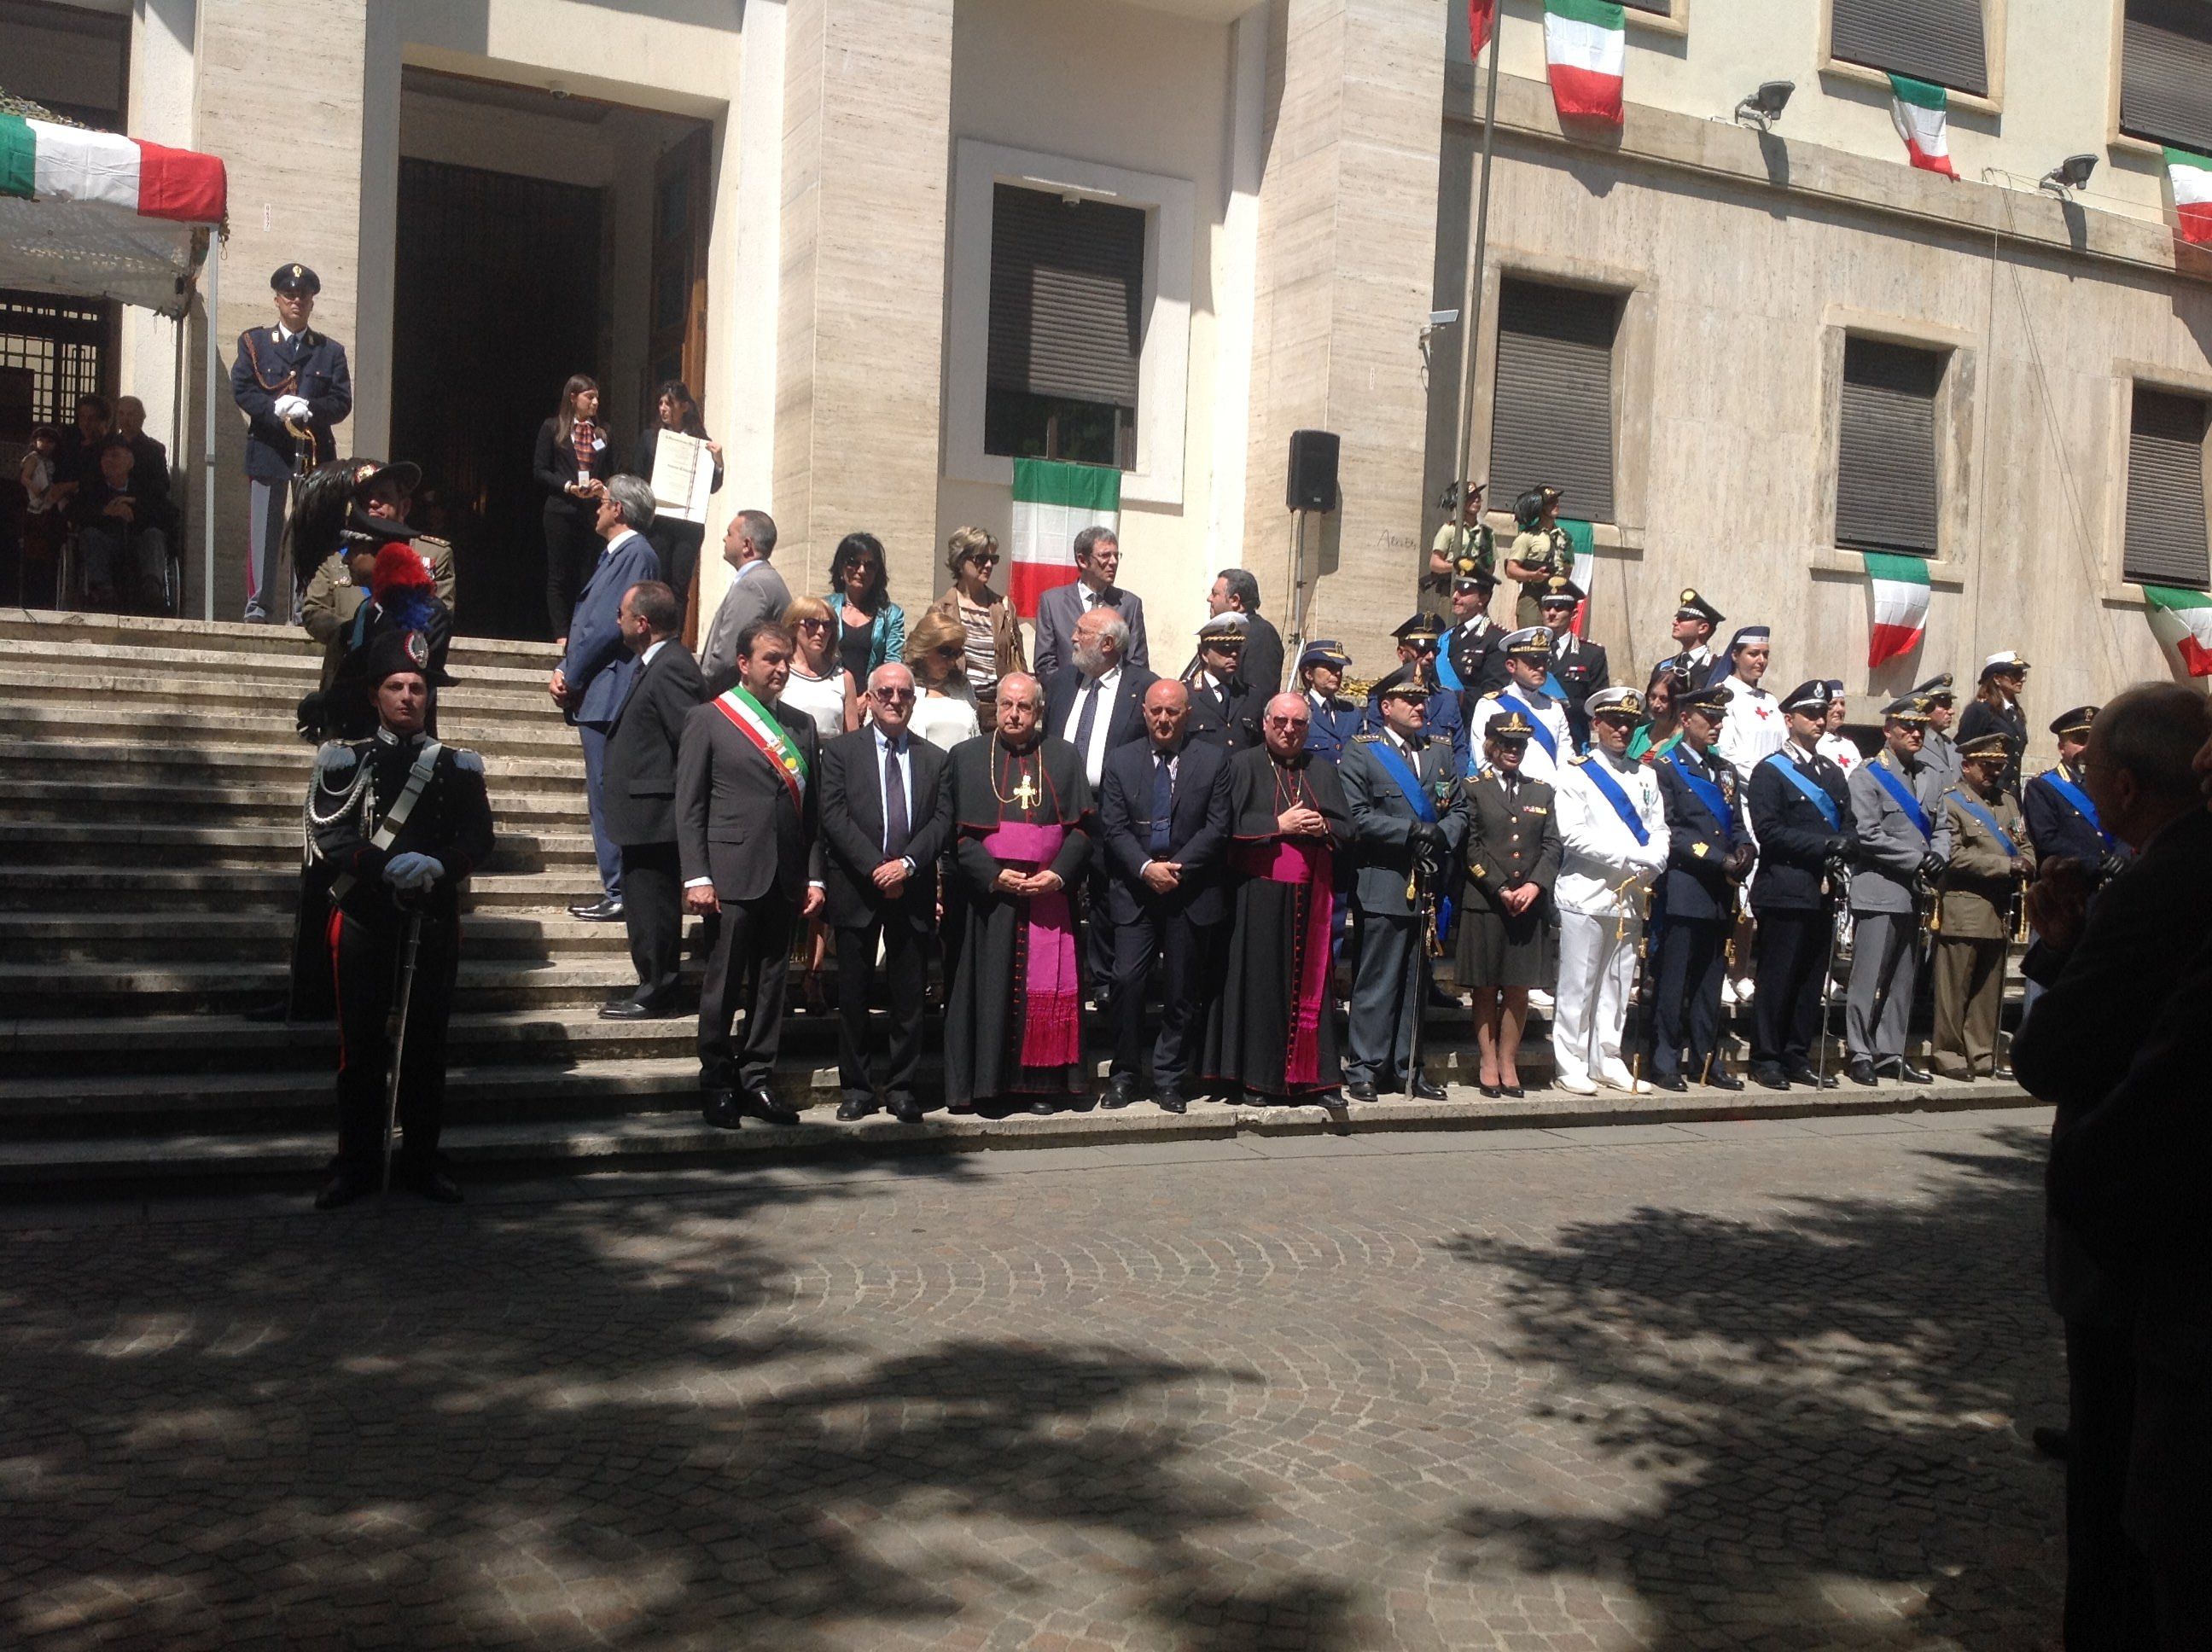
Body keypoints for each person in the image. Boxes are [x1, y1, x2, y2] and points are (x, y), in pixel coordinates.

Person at [2015, 683, 2212, 1650]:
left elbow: (2054, 1058)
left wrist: (2085, 1185)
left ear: (2126, 788)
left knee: (2124, 1512)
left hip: (2143, 1254)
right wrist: (2071, 946)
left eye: (2093, 776)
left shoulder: (2163, 880)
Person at [305, 627, 494, 1208]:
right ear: (374, 695)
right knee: (359, 1052)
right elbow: (327, 832)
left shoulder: (458, 767)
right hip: (364, 917)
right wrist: (381, 866)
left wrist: (439, 864)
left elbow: (480, 838)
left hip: (432, 920)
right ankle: (355, 1164)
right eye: (396, 686)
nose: (409, 696)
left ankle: (421, 1162)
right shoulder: (345, 759)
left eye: (418, 686)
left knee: (426, 1049)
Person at [678, 619, 824, 1130]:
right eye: (771, 659)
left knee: (771, 985)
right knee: (723, 986)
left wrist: (815, 876)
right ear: (744, 663)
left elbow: (812, 814)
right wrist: (696, 875)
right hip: (730, 874)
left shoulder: (803, 727)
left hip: (784, 876)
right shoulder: (710, 719)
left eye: (786, 659)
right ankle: (717, 1082)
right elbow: (690, 806)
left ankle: (758, 1078)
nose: (782, 668)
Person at [941, 673, 1092, 1115]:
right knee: (984, 989)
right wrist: (993, 875)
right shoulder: (966, 757)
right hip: (989, 901)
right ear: (995, 708)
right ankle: (983, 1086)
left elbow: (1082, 829)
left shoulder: (1063, 757)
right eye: (1006, 705)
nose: (1013, 714)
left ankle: (1037, 1085)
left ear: (1038, 711)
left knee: (1040, 990)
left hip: (1047, 896)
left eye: (1024, 707)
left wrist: (1059, 875)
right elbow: (955, 834)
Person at [1200, 693, 1353, 1106]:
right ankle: (1259, 1080)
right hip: (1258, 897)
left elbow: (1348, 826)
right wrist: (1278, 824)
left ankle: (1316, 1079)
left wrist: (1322, 825)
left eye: (1299, 724)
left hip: (1312, 897)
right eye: (1282, 721)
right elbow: (1225, 825)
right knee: (1261, 987)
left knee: (1312, 988)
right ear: (1266, 723)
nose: (1289, 730)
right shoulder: (1242, 764)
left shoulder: (1321, 769)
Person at [819, 663, 954, 1122]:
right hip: (857, 886)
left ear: (914, 702)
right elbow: (833, 816)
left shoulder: (935, 758)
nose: (896, 700)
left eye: (905, 694)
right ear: (870, 700)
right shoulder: (839, 752)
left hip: (912, 886)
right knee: (854, 995)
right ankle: (856, 1087)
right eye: (886, 693)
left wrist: (908, 866)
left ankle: (901, 1087)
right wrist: (878, 868)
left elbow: (941, 821)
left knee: (908, 996)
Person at [1097, 678, 1234, 1112]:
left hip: (1187, 892)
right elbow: (1113, 827)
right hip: (1136, 892)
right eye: (1156, 710)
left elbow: (1217, 827)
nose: (1163, 719)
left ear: (1187, 714)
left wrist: (1177, 869)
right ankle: (1124, 1074)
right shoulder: (1120, 760)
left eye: (1172, 712)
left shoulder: (1213, 760)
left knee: (1180, 991)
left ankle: (1169, 1079)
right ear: (1144, 712)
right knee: (1127, 982)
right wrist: (1145, 868)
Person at [1341, 679, 1471, 1101]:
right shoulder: (1363, 750)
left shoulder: (1438, 750)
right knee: (1377, 980)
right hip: (1384, 880)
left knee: (1416, 981)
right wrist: (1412, 830)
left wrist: (1441, 834)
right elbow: (1357, 816)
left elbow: (1459, 807)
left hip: (1428, 884)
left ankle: (1408, 1067)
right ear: (1386, 706)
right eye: (1410, 700)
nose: (1420, 706)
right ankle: (1364, 1067)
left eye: (1423, 700)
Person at [550, 474, 661, 924]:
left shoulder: (634, 553)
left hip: (611, 690)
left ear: (618, 509)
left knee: (606, 791)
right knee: (602, 791)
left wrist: (569, 672)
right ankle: (615, 886)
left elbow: (607, 624)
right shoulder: (621, 554)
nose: (597, 508)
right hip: (599, 689)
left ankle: (619, 889)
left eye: (603, 502)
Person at [1550, 687, 1669, 1096]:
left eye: (1629, 723)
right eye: (1614, 721)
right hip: (1586, 892)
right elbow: (1574, 835)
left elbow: (1659, 830)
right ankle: (1570, 1061)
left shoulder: (1646, 774)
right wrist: (1628, 858)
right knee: (1578, 984)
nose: (1622, 729)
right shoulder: (1575, 771)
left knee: (1618, 984)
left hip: (1631, 894)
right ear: (1595, 724)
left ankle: (1608, 1058)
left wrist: (1655, 861)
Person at [597, 580, 706, 1021]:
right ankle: (652, 982)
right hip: (643, 814)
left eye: (622, 613)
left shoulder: (673, 667)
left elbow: (693, 741)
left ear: (642, 623)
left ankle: (659, 989)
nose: (618, 620)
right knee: (644, 906)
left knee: (654, 907)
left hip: (657, 816)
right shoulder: (654, 664)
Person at [1746, 679, 1857, 1090]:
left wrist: (1848, 844)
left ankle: (1797, 1055)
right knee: (1777, 978)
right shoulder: (1770, 771)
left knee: (1811, 980)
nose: (1817, 720)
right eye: (1809, 714)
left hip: (1823, 890)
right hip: (1786, 888)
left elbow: (1849, 823)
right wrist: (1827, 843)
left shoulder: (1831, 771)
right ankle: (1766, 1057)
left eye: (1821, 714)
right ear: (1788, 719)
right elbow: (1770, 831)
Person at [1046, 608, 1159, 1000]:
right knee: (1059, 895)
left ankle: (1105, 983)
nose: (1072, 638)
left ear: (1108, 644)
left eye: (1081, 632)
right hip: (1061, 812)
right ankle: (1063, 979)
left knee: (1108, 899)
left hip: (1114, 813)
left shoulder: (1144, 687)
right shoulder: (1061, 683)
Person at [231, 263, 352, 623]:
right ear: (278, 301)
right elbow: (242, 388)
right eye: (290, 295)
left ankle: (303, 607)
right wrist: (274, 409)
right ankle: (258, 606)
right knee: (265, 532)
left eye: (303, 296)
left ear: (312, 302)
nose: (296, 301)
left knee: (308, 530)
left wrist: (308, 409)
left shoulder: (330, 350)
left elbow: (341, 401)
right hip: (269, 448)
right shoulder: (255, 343)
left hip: (313, 452)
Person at [1648, 683, 1753, 1091]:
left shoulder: (1725, 770)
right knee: (1673, 980)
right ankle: (1665, 1060)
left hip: (1719, 893)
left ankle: (1706, 1059)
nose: (1716, 725)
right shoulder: (1667, 766)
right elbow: (1669, 830)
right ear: (1686, 719)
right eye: (1708, 718)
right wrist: (1714, 857)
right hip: (1684, 887)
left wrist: (1746, 851)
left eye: (1719, 718)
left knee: (1711, 981)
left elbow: (1738, 822)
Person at [1842, 694, 1949, 1086]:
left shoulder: (1930, 775)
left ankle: (1890, 1051)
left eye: (1920, 727)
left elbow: (1941, 827)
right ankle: (1859, 1050)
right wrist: (1916, 859)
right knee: (1868, 976)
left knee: (1904, 979)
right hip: (1879, 888)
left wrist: (1939, 855)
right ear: (1888, 730)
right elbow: (1868, 834)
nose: (1914, 733)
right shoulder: (1867, 775)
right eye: (1906, 726)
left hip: (1916, 893)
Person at [1458, 711, 1561, 1096]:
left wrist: (1535, 885)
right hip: (1486, 901)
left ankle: (1508, 1061)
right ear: (1491, 745)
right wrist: (1500, 886)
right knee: (1485, 987)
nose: (1513, 751)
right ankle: (1487, 1061)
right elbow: (1469, 844)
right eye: (1506, 743)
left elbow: (1552, 845)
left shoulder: (1541, 791)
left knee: (1517, 988)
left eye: (1519, 744)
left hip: (1527, 905)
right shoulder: (1472, 787)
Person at [1930, 731, 2034, 1081]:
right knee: (1954, 989)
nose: (1993, 773)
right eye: (1987, 766)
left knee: (1989, 990)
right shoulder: (1952, 801)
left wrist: (2027, 862)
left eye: (1998, 766)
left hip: (2000, 910)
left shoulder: (2007, 803)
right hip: (1965, 908)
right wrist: (2007, 866)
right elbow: (1955, 854)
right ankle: (1948, 1053)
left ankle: (1982, 1054)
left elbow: (2025, 844)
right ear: (1967, 764)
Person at [534, 374, 616, 640]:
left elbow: (613, 472)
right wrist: (568, 486)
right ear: (573, 398)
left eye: (596, 397)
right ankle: (561, 633)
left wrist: (601, 488)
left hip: (591, 513)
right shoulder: (553, 428)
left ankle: (582, 630)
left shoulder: (603, 432)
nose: (595, 402)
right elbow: (540, 470)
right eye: (589, 397)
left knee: (588, 572)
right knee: (559, 573)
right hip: (561, 510)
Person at [632, 379, 720, 614]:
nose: (663, 409)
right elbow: (638, 478)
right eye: (660, 403)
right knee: (657, 582)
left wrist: (718, 462)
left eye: (669, 403)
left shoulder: (702, 442)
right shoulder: (650, 438)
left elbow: (713, 486)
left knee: (679, 586)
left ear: (685, 407)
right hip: (658, 523)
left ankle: (674, 640)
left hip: (688, 525)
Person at [931, 526, 1026, 731]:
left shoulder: (1004, 608)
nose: (989, 565)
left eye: (993, 559)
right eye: (981, 559)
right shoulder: (941, 610)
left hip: (997, 711)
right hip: (957, 706)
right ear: (960, 560)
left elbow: (1018, 660)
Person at [1033, 526, 1148, 683]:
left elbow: (1137, 664)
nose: (1113, 562)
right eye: (1105, 556)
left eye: (1116, 555)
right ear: (1082, 560)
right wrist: (1066, 694)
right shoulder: (1053, 602)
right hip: (1068, 698)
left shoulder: (1129, 604)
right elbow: (1045, 663)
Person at [67, 437, 169, 614]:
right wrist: (105, 512)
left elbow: (166, 515)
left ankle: (152, 589)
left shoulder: (144, 488)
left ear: (130, 462)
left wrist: (136, 506)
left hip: (137, 542)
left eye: (115, 455)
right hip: (106, 542)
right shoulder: (91, 487)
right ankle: (102, 590)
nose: (108, 460)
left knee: (154, 535)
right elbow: (74, 513)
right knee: (90, 535)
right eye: (105, 456)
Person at [697, 509, 792, 694]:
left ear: (747, 545)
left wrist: (700, 686)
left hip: (734, 699)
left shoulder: (753, 586)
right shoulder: (763, 579)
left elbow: (727, 656)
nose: (725, 539)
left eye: (730, 533)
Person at [1365, 614, 1470, 775]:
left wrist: (1453, 787)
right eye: (1422, 649)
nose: (1430, 657)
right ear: (1401, 653)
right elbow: (1380, 749)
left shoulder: (1447, 698)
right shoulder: (1383, 697)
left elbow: (1459, 751)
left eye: (1434, 650)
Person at [2024, 706, 2122, 876]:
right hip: (2072, 884)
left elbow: (2125, 825)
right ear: (2062, 747)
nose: (2088, 747)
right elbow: (2047, 840)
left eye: (2094, 740)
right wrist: (2095, 862)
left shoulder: (2109, 783)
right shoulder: (2043, 787)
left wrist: (2121, 857)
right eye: (2080, 740)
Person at [1467, 627, 1570, 787]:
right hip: (1509, 796)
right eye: (1533, 662)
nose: (1541, 668)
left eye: (1544, 661)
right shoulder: (1490, 705)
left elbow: (1566, 760)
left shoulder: (1554, 707)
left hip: (1552, 798)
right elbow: (1484, 760)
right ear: (1511, 666)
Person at [827, 531, 906, 683]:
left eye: (870, 565)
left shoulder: (892, 615)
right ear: (840, 567)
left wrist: (868, 697)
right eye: (853, 562)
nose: (861, 570)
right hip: (831, 693)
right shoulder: (825, 608)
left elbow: (892, 662)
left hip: (871, 698)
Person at [1540, 579, 1608, 752]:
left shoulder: (1591, 654)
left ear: (1574, 614)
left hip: (1573, 737)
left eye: (1559, 608)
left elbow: (1598, 703)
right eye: (1547, 608)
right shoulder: (1528, 651)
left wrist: (1567, 704)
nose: (1552, 613)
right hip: (1536, 735)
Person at [904, 609, 987, 752]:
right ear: (924, 648)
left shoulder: (962, 686)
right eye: (946, 652)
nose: (952, 661)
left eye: (957, 653)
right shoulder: (903, 687)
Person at [779, 595, 858, 739]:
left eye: (827, 626)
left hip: (831, 759)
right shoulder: (780, 672)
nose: (821, 631)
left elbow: (852, 740)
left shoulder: (844, 678)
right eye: (812, 624)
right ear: (793, 627)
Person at [1184, 612, 1263, 751]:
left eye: (1237, 648)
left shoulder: (1251, 695)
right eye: (1225, 648)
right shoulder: (1186, 695)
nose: (1233, 654)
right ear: (1204, 654)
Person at [1714, 625, 1784, 782]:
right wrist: (1766, 779)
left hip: (1778, 792)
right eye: (1753, 654)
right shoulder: (1723, 696)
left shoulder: (1770, 701)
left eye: (1765, 655)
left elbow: (1785, 745)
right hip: (1745, 792)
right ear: (1735, 655)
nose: (1761, 661)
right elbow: (1725, 751)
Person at [1959, 649, 2030, 799]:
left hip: (2008, 795)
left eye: (2023, 674)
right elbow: (1963, 750)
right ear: (1997, 679)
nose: (2022, 679)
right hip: (1983, 792)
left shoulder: (2015, 713)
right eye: (2015, 675)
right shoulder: (1980, 710)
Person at [1200, 568, 1284, 695]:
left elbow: (1259, 694)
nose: (1209, 599)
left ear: (1235, 600)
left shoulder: (1262, 634)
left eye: (1215, 594)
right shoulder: (1221, 630)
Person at [1503, 485, 1571, 626]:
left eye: (1557, 501)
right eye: (1551, 502)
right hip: (1533, 596)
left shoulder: (1565, 537)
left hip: (1556, 597)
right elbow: (1511, 569)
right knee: (1531, 641)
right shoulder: (1527, 536)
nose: (1556, 505)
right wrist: (1533, 575)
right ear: (1541, 508)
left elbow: (1568, 566)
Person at [1441, 558, 1507, 701]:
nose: (1455, 597)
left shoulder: (1497, 639)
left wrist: (1449, 702)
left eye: (1464, 591)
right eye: (1456, 589)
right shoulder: (1446, 637)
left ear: (1483, 599)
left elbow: (1492, 692)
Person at [1428, 480, 1494, 612]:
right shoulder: (1449, 529)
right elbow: (1434, 563)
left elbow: (1491, 566)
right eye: (1471, 497)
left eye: (1478, 497)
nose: (1476, 500)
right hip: (1452, 589)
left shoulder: (1486, 533)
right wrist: (1456, 566)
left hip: (1476, 591)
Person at [1297, 639, 1365, 764]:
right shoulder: (1298, 710)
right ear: (1309, 674)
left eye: (1340, 668)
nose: (1338, 673)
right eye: (1330, 668)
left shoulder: (1352, 713)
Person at [111, 396, 172, 524]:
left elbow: (162, 486)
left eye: (130, 414)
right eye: (121, 414)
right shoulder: (108, 446)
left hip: (145, 512)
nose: (125, 419)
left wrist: (134, 499)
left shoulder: (154, 449)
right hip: (113, 510)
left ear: (142, 418)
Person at [1655, 589, 1723, 683]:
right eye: (1677, 618)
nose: (1674, 622)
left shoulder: (1719, 668)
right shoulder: (1663, 668)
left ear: (1703, 628)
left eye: (1682, 618)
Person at [1627, 666, 1686, 763]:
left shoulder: (1687, 740)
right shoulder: (1640, 733)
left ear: (1677, 701)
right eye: (1653, 697)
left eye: (1664, 699)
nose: (1655, 705)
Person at [1917, 672, 1963, 795]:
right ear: (1925, 708)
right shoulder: (1913, 744)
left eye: (1950, 706)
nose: (1951, 711)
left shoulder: (1952, 746)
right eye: (1944, 706)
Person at [1817, 684, 1863, 777]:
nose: (1840, 709)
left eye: (1842, 704)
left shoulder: (1849, 745)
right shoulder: (1814, 744)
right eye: (1833, 704)